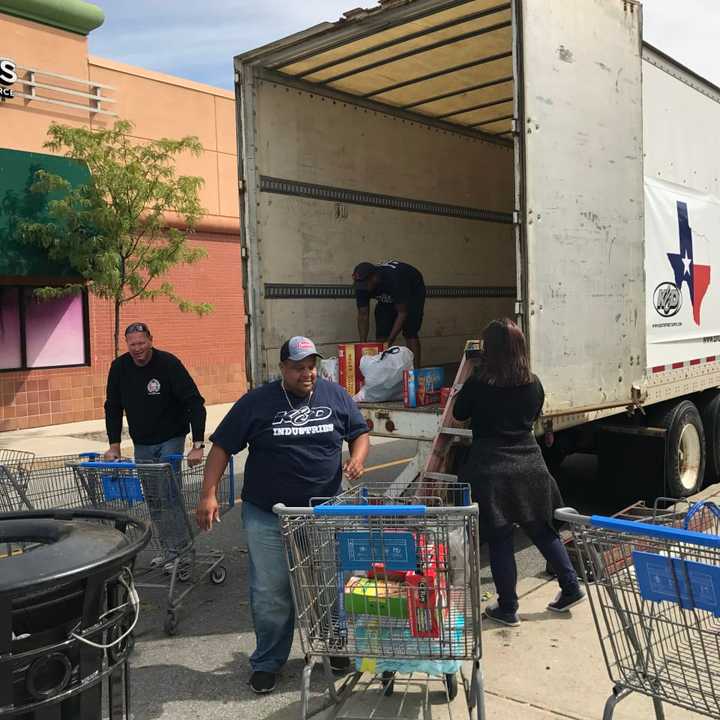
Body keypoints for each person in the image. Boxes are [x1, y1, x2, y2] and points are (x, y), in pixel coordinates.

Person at [196, 335, 370, 694]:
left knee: (326, 583)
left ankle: (333, 647)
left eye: (311, 367)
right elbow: (222, 447)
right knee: (271, 590)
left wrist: (357, 457)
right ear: (282, 369)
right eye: (298, 368)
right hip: (268, 514)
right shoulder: (258, 402)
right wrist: (208, 493)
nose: (306, 374)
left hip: (325, 510)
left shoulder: (335, 396)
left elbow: (359, 432)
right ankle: (268, 661)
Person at [452, 318, 585, 627]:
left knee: (499, 537)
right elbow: (533, 416)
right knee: (541, 528)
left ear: (491, 350)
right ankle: (570, 586)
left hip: (491, 468)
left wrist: (469, 380)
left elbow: (459, 414)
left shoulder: (480, 382)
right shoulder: (533, 383)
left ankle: (508, 607)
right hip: (530, 465)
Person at [104, 322, 207, 561]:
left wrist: (198, 444)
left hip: (171, 436)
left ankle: (181, 552)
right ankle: (169, 550)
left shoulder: (168, 364)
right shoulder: (119, 367)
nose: (137, 349)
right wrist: (114, 445)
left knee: (168, 495)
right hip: (142, 441)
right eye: (132, 345)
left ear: (150, 340)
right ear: (126, 345)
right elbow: (113, 407)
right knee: (153, 499)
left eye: (141, 343)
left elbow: (194, 402)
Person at [353, 260, 426, 368]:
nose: (363, 289)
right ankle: (383, 372)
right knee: (382, 334)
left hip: (412, 291)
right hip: (386, 297)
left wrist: (390, 341)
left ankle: (415, 372)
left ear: (375, 277)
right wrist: (362, 345)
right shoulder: (361, 286)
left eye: (365, 285)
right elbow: (363, 314)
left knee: (410, 332)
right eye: (360, 285)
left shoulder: (395, 279)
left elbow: (402, 313)